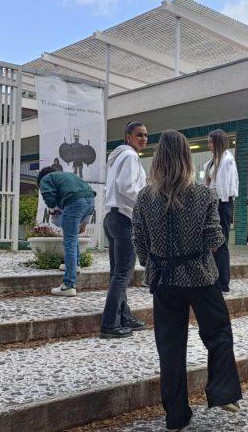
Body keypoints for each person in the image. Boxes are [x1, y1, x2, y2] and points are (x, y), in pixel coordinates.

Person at [132, 130, 242, 431]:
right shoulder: (204, 194)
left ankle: (176, 415)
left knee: (169, 347)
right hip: (200, 276)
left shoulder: (145, 196)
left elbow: (138, 239)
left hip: (164, 280)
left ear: (158, 159)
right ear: (186, 156)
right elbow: (215, 237)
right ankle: (221, 391)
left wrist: (151, 263)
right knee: (218, 333)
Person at [101, 121, 148, 338]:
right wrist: (146, 205)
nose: (143, 139)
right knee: (122, 273)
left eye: (146, 135)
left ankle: (123, 315)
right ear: (128, 136)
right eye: (139, 135)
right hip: (124, 218)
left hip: (112, 216)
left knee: (117, 273)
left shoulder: (118, 156)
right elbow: (127, 186)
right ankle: (110, 324)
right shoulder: (130, 156)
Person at [37, 166, 96, 297]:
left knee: (69, 240)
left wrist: (52, 212)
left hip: (75, 202)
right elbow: (87, 192)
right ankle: (75, 265)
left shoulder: (46, 179)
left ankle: (69, 285)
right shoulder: (69, 175)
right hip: (90, 201)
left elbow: (49, 198)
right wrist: (85, 222)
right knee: (73, 237)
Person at [203, 129, 239, 293]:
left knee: (221, 243)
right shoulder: (214, 160)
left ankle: (223, 284)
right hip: (214, 203)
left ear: (217, 142)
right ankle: (216, 279)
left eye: (210, 142)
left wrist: (214, 202)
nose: (208, 145)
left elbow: (224, 186)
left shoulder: (227, 159)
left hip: (222, 203)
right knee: (214, 242)